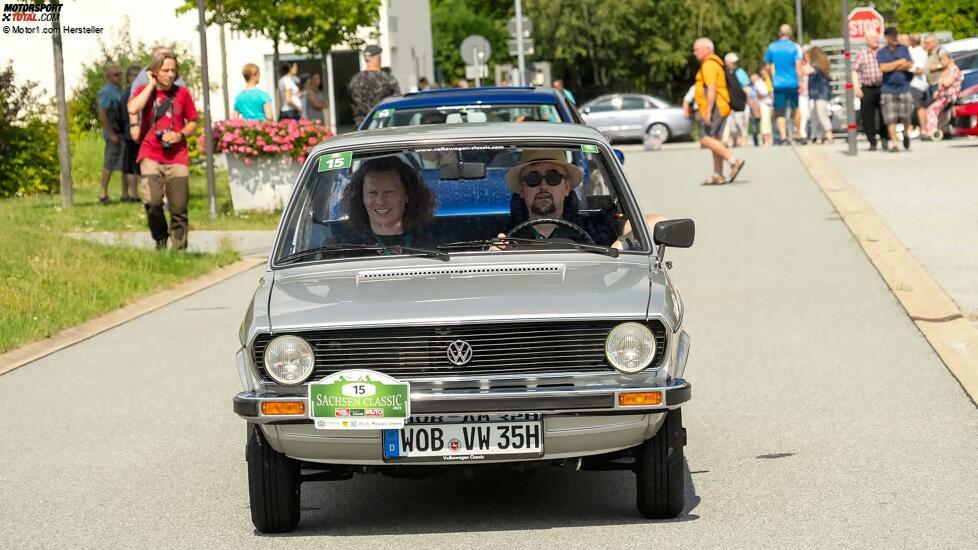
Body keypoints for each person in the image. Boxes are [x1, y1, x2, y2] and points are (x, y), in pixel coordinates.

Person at [128, 53, 199, 251]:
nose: (170, 74)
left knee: (179, 207)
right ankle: (160, 239)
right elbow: (133, 107)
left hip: (177, 156)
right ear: (155, 72)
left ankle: (178, 250)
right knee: (152, 203)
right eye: (165, 70)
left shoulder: (182, 94)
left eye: (173, 70)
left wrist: (180, 135)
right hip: (150, 153)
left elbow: (193, 121)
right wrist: (150, 85)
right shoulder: (145, 90)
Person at [339, 156, 435, 252]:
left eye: (389, 192)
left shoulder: (435, 244)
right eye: (372, 193)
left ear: (407, 195)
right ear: (361, 197)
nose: (380, 201)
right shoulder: (342, 248)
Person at [693, 38, 744, 185]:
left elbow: (711, 89)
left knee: (705, 138)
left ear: (708, 49)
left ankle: (734, 161)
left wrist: (708, 112)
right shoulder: (715, 63)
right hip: (720, 106)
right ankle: (718, 174)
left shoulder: (709, 64)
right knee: (715, 140)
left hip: (715, 107)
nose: (694, 53)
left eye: (697, 49)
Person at [764, 24, 803, 144]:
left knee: (779, 110)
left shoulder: (772, 47)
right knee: (795, 108)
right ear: (790, 34)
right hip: (792, 82)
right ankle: (797, 133)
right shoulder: (794, 48)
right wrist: (800, 82)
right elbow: (798, 66)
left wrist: (772, 78)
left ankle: (783, 136)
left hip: (778, 83)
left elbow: (767, 66)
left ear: (779, 33)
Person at [877, 27, 914, 152]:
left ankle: (906, 134)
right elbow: (883, 68)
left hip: (904, 87)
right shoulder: (882, 52)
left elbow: (908, 64)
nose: (894, 39)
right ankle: (895, 144)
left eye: (895, 36)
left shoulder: (904, 49)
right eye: (892, 37)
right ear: (887, 38)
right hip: (888, 89)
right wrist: (899, 63)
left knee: (907, 116)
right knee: (890, 118)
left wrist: (892, 66)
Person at [347, 45, 401, 126]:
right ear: (378, 57)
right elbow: (397, 102)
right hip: (384, 126)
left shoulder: (355, 80)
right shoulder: (388, 79)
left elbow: (351, 101)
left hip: (361, 127)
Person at [97, 64, 126, 205]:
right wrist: (111, 133)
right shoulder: (106, 91)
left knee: (123, 164)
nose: (120, 77)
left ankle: (126, 193)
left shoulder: (118, 90)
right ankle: (103, 193)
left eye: (120, 74)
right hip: (113, 132)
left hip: (121, 132)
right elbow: (103, 113)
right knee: (109, 163)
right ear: (108, 76)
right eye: (116, 75)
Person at [852, 31, 886, 151]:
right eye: (873, 38)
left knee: (884, 114)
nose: (876, 40)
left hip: (883, 86)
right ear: (867, 40)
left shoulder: (883, 51)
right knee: (867, 116)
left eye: (877, 38)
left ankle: (884, 138)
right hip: (867, 87)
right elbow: (854, 70)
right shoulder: (862, 53)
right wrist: (856, 87)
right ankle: (872, 141)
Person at [923, 50, 963, 138]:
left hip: (950, 96)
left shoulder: (954, 69)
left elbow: (946, 83)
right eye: (941, 60)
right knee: (936, 111)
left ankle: (932, 132)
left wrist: (941, 77)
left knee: (931, 110)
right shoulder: (946, 70)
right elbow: (931, 69)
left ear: (949, 59)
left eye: (943, 60)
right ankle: (943, 131)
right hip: (943, 96)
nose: (942, 62)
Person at [119, 65, 142, 203]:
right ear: (129, 78)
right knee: (133, 164)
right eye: (134, 76)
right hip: (131, 131)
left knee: (132, 164)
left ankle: (132, 193)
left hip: (131, 131)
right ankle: (133, 193)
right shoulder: (130, 93)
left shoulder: (130, 92)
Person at [723, 53, 751, 147]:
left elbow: (746, 87)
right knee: (729, 124)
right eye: (733, 62)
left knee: (740, 123)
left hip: (739, 103)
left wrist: (747, 100)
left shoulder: (740, 72)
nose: (735, 64)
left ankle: (742, 140)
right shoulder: (723, 73)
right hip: (727, 102)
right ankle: (729, 140)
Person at [807, 46, 834, 144]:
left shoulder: (814, 65)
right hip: (822, 92)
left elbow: (805, 71)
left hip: (819, 93)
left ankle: (828, 133)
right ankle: (822, 135)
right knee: (818, 114)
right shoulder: (823, 64)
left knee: (820, 114)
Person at [908, 33, 929, 138]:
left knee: (919, 107)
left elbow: (918, 70)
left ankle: (923, 129)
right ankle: (920, 128)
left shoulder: (918, 52)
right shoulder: (920, 51)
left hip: (916, 83)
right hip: (921, 84)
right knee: (919, 107)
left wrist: (906, 70)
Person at [753, 70, 774, 146]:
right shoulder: (758, 83)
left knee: (769, 122)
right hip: (763, 104)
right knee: (764, 122)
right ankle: (765, 140)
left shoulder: (770, 81)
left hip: (770, 104)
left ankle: (769, 139)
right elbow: (758, 95)